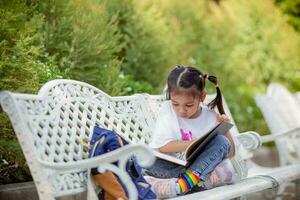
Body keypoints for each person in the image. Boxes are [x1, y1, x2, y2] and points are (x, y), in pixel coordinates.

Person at [144, 65, 238, 198]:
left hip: (200, 168)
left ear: (202, 96)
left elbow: (231, 153)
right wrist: (196, 143)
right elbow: (163, 147)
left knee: (222, 142)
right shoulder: (167, 111)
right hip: (173, 169)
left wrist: (224, 128)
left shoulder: (211, 116)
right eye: (175, 104)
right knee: (143, 157)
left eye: (188, 105)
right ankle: (195, 184)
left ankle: (179, 186)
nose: (181, 110)